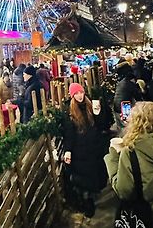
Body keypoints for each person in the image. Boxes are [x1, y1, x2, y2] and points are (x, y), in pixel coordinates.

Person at [63, 84, 107, 218]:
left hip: (94, 146)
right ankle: (88, 202)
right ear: (72, 96)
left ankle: (93, 194)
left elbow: (101, 125)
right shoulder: (71, 112)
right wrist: (68, 150)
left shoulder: (90, 105)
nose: (80, 96)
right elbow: (69, 133)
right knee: (85, 176)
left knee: (97, 173)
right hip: (80, 149)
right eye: (76, 94)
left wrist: (99, 113)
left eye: (81, 92)